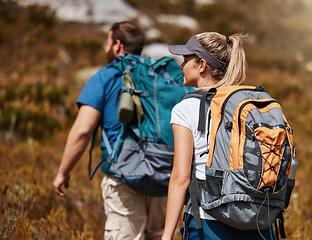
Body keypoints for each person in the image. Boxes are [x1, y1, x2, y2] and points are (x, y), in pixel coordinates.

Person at [53, 21, 166, 240]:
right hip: (162, 173)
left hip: (124, 174)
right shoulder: (159, 76)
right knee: (158, 235)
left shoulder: (105, 76)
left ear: (117, 45)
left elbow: (83, 130)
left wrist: (63, 171)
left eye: (107, 41)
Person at [161, 33, 275, 239]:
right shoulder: (248, 104)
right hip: (258, 220)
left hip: (209, 222)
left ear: (201, 65)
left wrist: (166, 235)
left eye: (185, 60)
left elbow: (180, 178)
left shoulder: (185, 108)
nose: (180, 67)